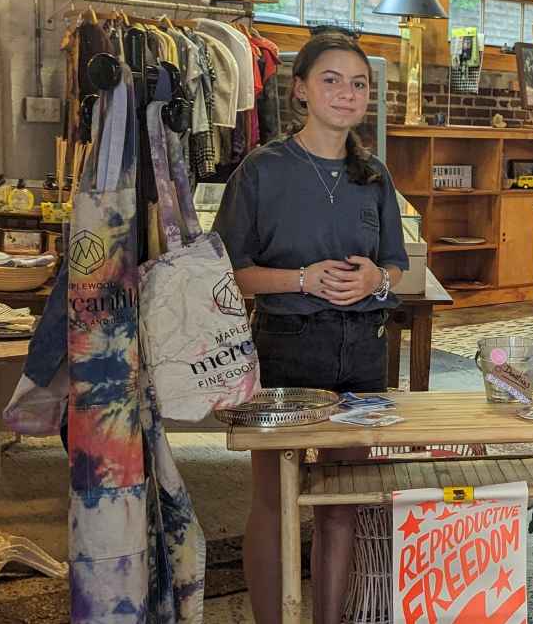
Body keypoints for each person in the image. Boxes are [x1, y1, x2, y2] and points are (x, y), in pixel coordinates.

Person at [213, 32, 408, 624]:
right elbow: (228, 277)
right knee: (276, 500)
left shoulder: (374, 176)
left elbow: (397, 267)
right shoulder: (262, 172)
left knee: (341, 504)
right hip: (287, 350)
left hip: (364, 354)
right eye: (331, 79)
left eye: (358, 83)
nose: (346, 93)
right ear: (300, 90)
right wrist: (301, 280)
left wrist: (378, 276)